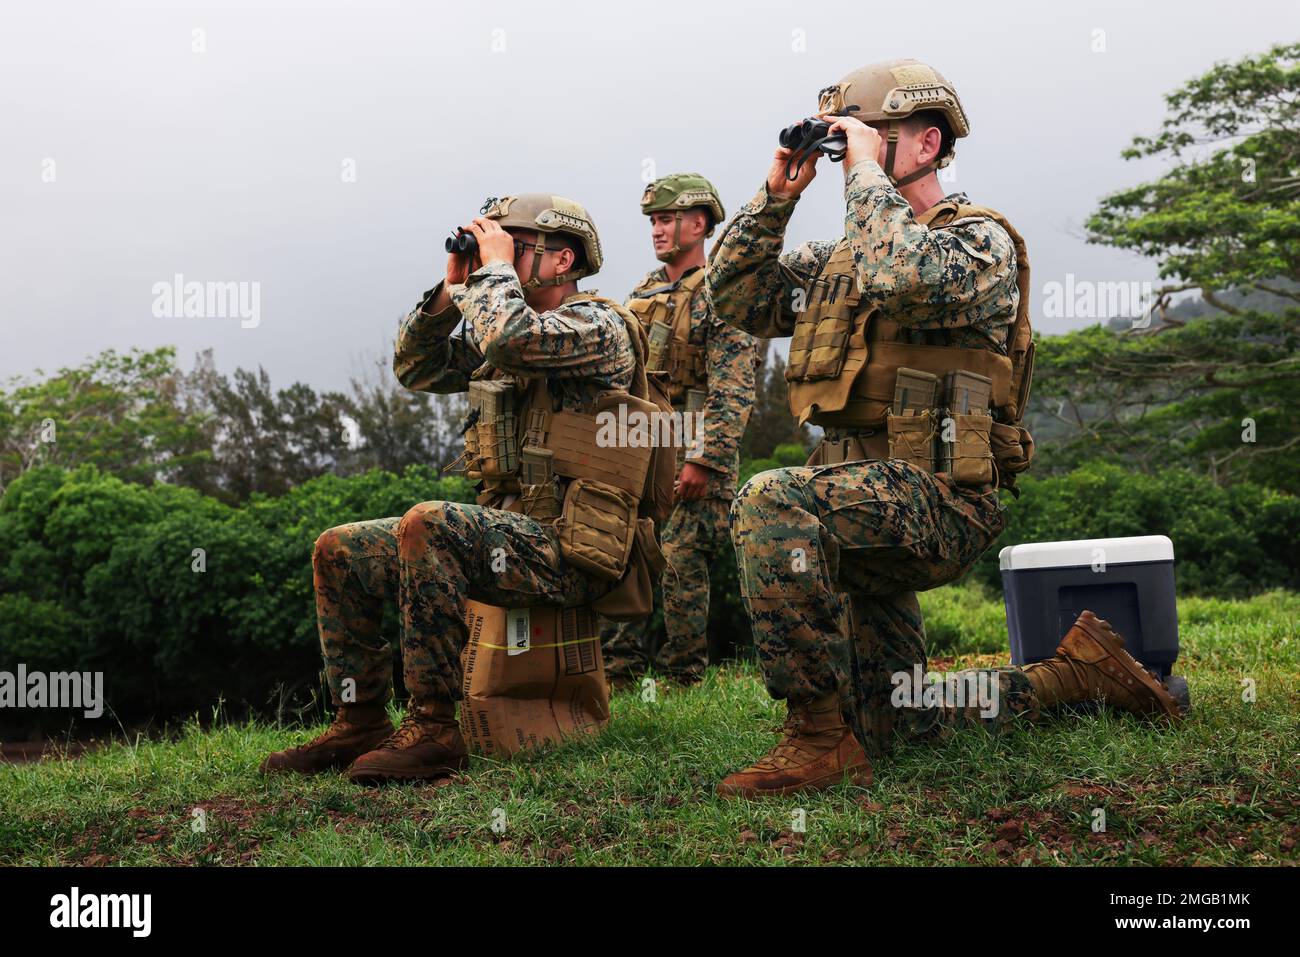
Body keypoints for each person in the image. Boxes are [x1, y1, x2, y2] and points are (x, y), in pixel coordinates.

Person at [705, 59, 1186, 798]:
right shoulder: (839, 258)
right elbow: (733, 298)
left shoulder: (979, 242)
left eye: (873, 136)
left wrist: (864, 172)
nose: (851, 155)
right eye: (846, 142)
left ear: (926, 144)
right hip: (856, 504)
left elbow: (902, 273)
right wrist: (776, 195)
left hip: (941, 497)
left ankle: (815, 738)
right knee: (904, 723)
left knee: (770, 498)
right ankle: (1077, 673)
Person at [261, 193, 659, 783]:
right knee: (338, 549)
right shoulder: (502, 322)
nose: (497, 255)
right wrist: (450, 293)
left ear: (562, 261)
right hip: (510, 538)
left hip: (575, 550)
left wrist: (493, 272)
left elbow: (510, 338)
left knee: (431, 522)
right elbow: (415, 368)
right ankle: (359, 719)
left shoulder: (598, 327)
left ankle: (434, 729)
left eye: (517, 246)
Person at [600, 174, 758, 684]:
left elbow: (734, 385)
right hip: (637, 453)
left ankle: (681, 681)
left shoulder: (725, 292)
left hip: (692, 455)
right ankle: (618, 677)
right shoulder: (642, 293)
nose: (657, 230)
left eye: (666, 219)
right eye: (653, 221)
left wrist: (703, 459)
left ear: (700, 223)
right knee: (623, 555)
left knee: (680, 566)